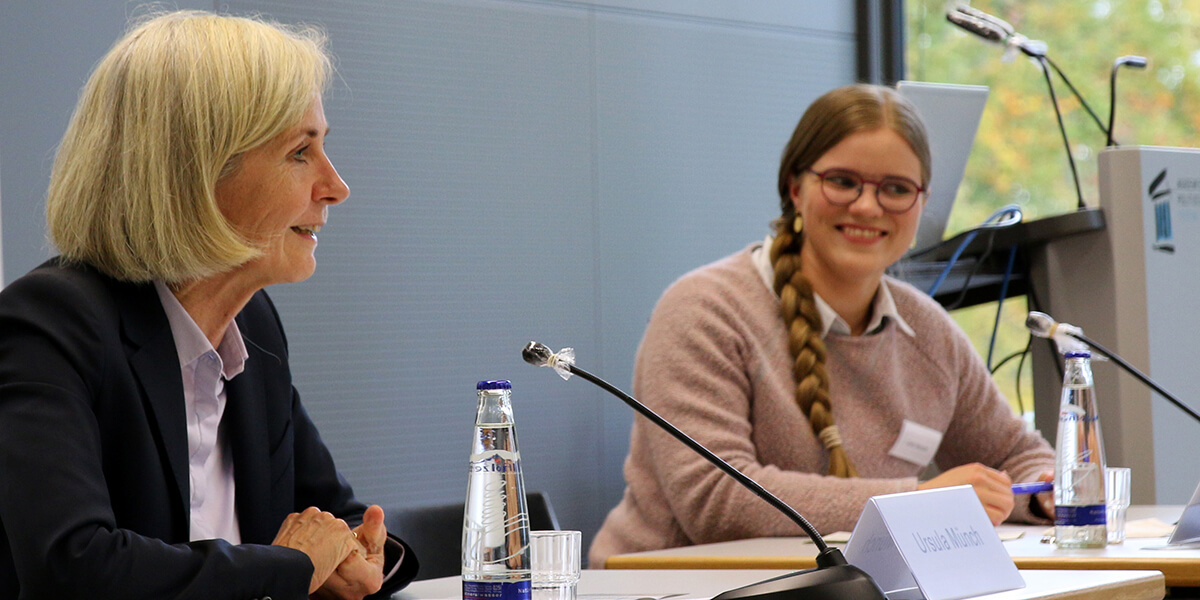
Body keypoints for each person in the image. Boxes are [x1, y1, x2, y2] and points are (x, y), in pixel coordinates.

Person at [0, 11, 418, 599]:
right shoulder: (50, 324)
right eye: (301, 152)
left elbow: (336, 516)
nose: (336, 186)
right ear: (195, 174)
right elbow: (75, 566)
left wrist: (357, 554)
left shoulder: (252, 323)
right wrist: (291, 569)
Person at [588, 84, 1056, 567]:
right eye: (842, 181)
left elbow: (1018, 454)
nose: (868, 207)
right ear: (795, 187)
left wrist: (1046, 491)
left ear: (921, 204)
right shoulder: (704, 309)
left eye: (896, 189)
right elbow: (717, 499)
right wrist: (916, 503)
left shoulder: (929, 332)